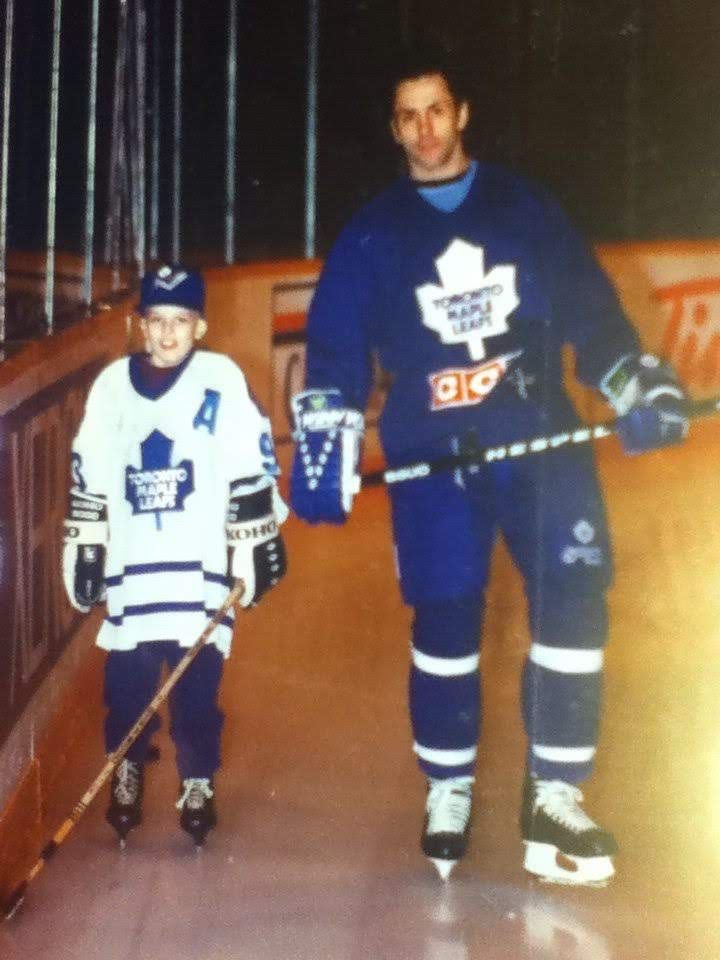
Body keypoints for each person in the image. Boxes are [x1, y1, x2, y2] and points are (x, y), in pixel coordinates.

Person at [289, 45, 688, 884]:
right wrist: (325, 431)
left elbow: (591, 311)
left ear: (461, 113)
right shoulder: (373, 233)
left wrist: (632, 381)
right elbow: (332, 351)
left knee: (575, 599)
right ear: (394, 128)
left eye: (437, 109)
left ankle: (555, 800)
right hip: (432, 453)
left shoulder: (523, 207)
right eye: (408, 115)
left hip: (538, 437)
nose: (425, 129)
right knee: (443, 616)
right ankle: (449, 785)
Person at [62, 264, 288, 847]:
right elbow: (88, 466)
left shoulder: (220, 378)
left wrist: (257, 536)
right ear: (139, 324)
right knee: (127, 686)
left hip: (200, 574)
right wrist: (87, 539)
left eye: (180, 322)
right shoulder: (112, 386)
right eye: (156, 321)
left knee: (195, 691)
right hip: (135, 572)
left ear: (201, 325)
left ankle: (197, 780)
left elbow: (253, 460)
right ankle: (128, 767)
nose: (167, 335)